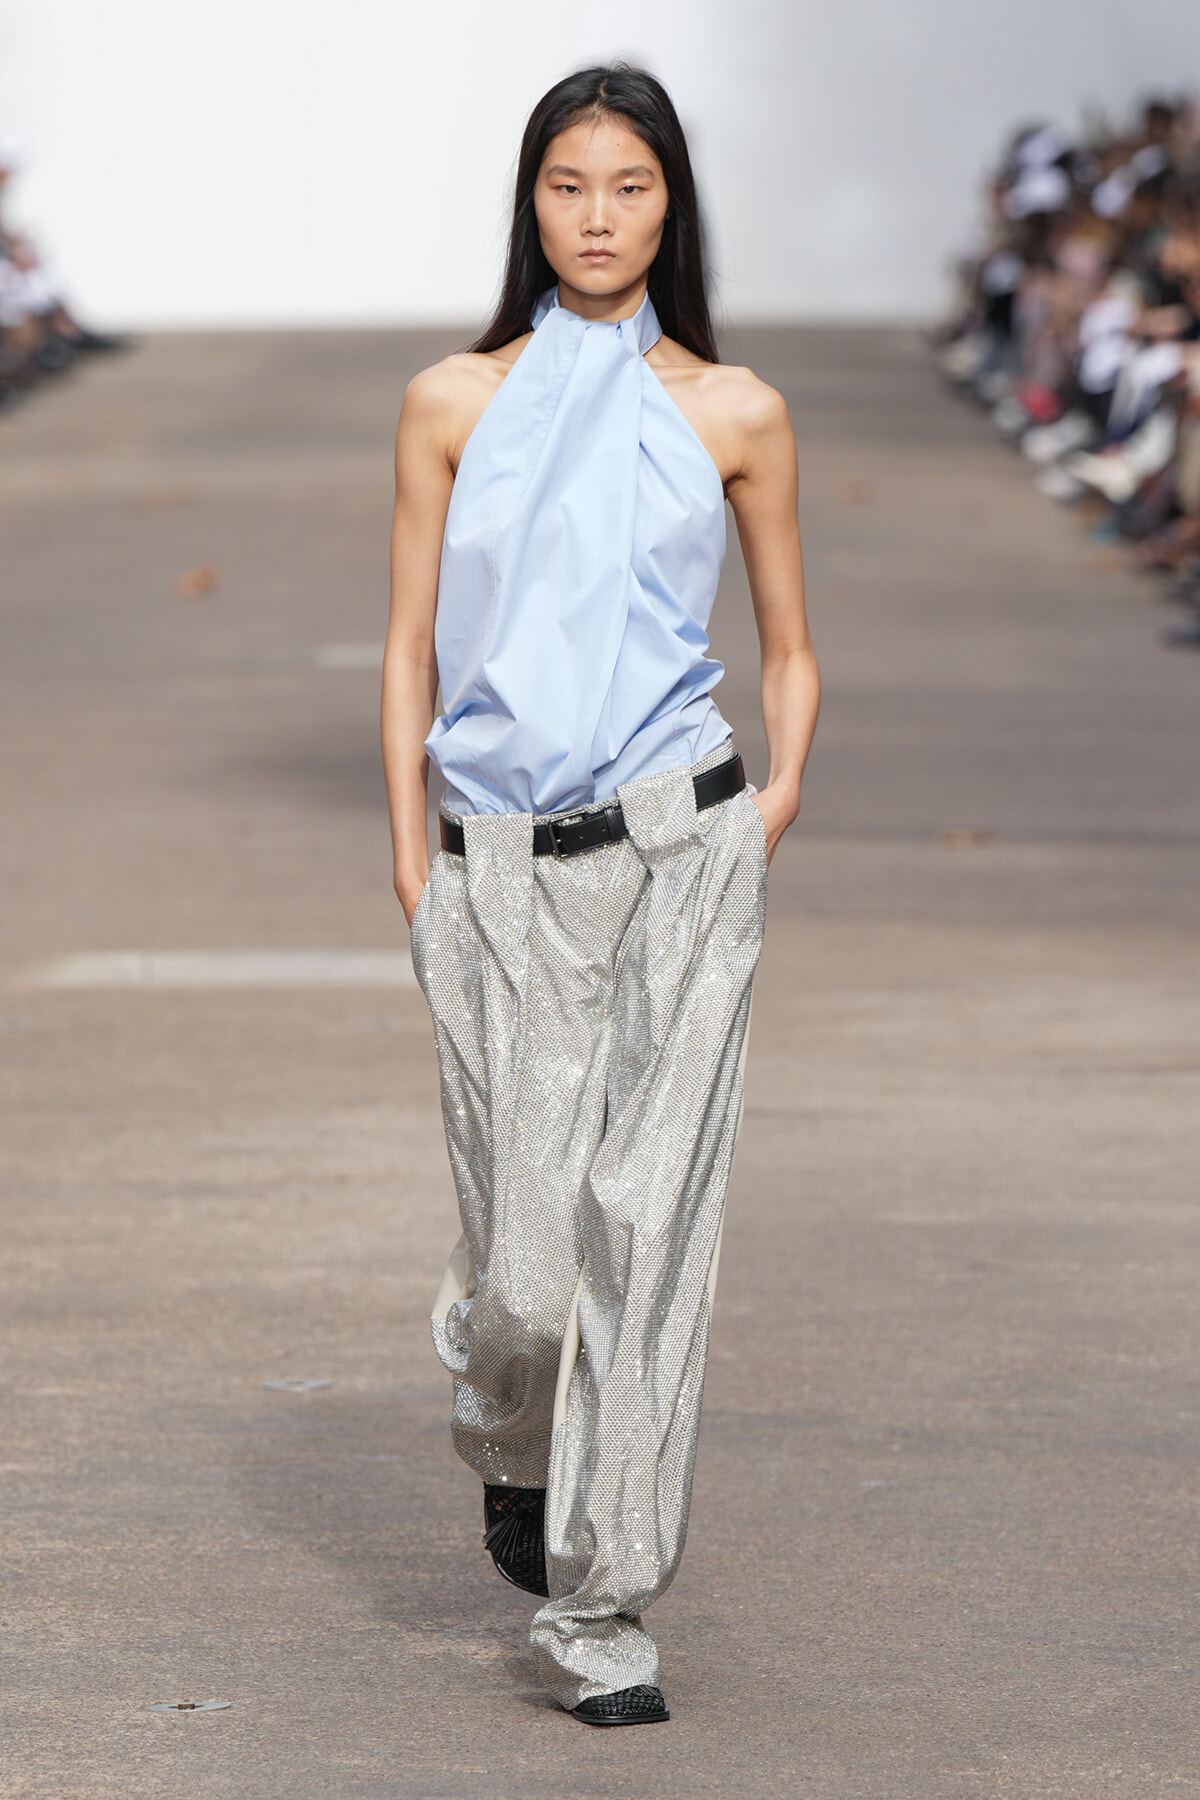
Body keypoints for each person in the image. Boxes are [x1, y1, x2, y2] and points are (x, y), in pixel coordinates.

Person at [381, 63, 819, 1727]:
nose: (598, 218)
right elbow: (412, 643)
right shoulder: (448, 401)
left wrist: (766, 799)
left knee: (653, 1228)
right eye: (569, 185)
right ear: (531, 201)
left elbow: (787, 646)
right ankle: (508, 1432)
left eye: (630, 187)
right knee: (525, 1276)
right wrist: (411, 854)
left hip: (688, 852)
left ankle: (605, 1609)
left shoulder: (737, 411)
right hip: (495, 868)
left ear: (670, 205)